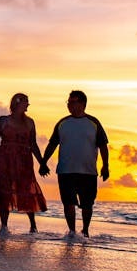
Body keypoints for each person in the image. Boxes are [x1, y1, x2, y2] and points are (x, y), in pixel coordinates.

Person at [39, 90, 110, 238]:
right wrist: (44, 162)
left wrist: (105, 165)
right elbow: (52, 144)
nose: (70, 105)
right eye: (68, 102)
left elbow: (103, 145)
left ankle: (85, 231)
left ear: (82, 104)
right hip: (66, 170)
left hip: (88, 171)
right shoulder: (62, 123)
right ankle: (71, 231)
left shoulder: (94, 123)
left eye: (73, 102)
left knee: (87, 204)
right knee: (68, 203)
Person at [0, 93, 47, 234]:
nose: (28, 104)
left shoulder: (30, 122)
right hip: (5, 160)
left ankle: (33, 226)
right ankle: (4, 227)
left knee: (27, 190)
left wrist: (42, 163)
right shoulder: (3, 121)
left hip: (24, 160)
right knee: (4, 191)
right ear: (17, 103)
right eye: (25, 102)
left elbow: (33, 144)